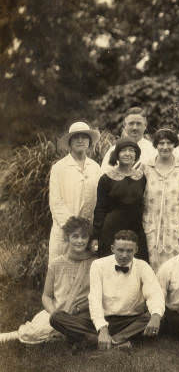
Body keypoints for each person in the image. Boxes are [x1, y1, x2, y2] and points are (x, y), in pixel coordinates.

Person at [50, 230, 164, 350]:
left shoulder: (143, 266)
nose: (124, 255)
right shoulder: (98, 265)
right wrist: (102, 329)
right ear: (112, 248)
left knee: (159, 314)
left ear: (136, 250)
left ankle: (102, 341)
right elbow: (95, 299)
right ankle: (119, 342)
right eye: (120, 250)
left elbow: (155, 294)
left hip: (130, 321)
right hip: (103, 319)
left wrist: (156, 317)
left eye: (129, 251)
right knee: (56, 317)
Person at [0, 217, 95, 344]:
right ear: (67, 237)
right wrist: (54, 313)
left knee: (75, 328)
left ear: (89, 239)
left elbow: (98, 295)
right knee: (33, 332)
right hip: (58, 311)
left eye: (84, 237)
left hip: (81, 313)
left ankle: (61, 336)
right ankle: (18, 335)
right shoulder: (56, 264)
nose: (80, 241)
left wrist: (79, 309)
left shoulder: (95, 263)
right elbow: (46, 296)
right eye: (75, 236)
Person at [48, 121, 101, 261]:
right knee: (61, 273)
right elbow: (56, 202)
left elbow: (98, 201)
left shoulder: (95, 167)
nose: (80, 140)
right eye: (76, 137)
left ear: (89, 142)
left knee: (84, 275)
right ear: (70, 142)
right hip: (64, 231)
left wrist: (89, 230)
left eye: (84, 137)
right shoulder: (59, 168)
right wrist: (72, 228)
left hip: (86, 233)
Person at [143, 128, 179, 270]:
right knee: (152, 265)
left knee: (176, 266)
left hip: (175, 223)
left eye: (169, 143)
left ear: (174, 144)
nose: (165, 147)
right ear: (156, 145)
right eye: (161, 143)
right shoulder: (146, 167)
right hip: (151, 224)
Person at [94, 139, 149, 260]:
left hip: (135, 228)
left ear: (136, 155)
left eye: (131, 151)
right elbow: (100, 208)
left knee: (138, 263)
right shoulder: (106, 178)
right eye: (123, 150)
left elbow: (143, 204)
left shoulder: (141, 177)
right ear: (117, 155)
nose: (128, 154)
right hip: (112, 228)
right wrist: (95, 236)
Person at [100, 107, 157, 173]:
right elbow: (104, 176)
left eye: (138, 124)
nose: (134, 128)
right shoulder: (113, 150)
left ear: (145, 126)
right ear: (124, 126)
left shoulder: (153, 150)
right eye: (131, 123)